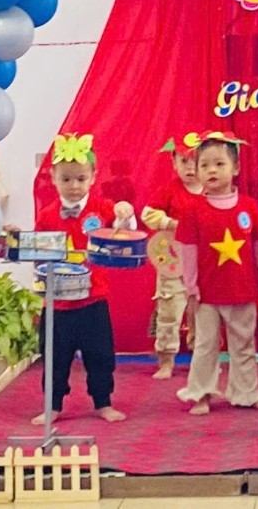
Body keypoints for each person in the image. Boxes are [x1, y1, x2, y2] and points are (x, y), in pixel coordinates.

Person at [33, 132, 136, 423]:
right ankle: (52, 406)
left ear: (93, 177)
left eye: (80, 178)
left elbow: (124, 229)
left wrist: (124, 213)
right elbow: (38, 252)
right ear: (54, 179)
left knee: (100, 354)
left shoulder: (102, 208)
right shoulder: (47, 215)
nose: (74, 186)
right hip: (57, 303)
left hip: (93, 298)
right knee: (54, 357)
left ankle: (103, 401)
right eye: (66, 179)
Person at [175, 132, 258, 414]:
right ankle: (200, 392)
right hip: (207, 294)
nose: (211, 171)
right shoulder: (192, 210)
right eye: (204, 165)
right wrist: (191, 287)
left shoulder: (249, 206)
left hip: (243, 290)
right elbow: (187, 251)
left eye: (219, 164)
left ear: (235, 168)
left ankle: (246, 392)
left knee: (244, 344)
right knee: (205, 345)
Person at [141, 132, 205, 379]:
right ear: (174, 162)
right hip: (173, 264)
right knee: (169, 310)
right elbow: (148, 214)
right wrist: (170, 223)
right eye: (184, 161)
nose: (190, 167)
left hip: (204, 264)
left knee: (204, 313)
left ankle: (202, 358)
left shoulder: (213, 190)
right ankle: (166, 360)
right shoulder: (169, 190)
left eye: (195, 161)